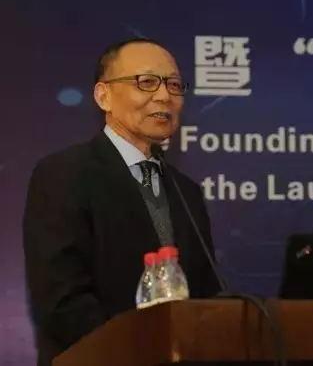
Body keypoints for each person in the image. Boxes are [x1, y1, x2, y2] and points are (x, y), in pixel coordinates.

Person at [23, 38, 221, 366]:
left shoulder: (186, 191)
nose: (164, 96)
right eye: (146, 82)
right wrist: (140, 351)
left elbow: (206, 296)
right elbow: (61, 301)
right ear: (104, 96)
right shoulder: (63, 174)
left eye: (174, 85)